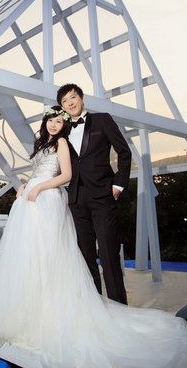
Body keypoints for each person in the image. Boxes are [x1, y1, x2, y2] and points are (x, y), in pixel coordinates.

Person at [0, 106, 187, 368]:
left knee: (50, 253)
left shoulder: (62, 143)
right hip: (31, 198)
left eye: (59, 121)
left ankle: (53, 312)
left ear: (64, 125)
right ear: (44, 122)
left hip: (47, 199)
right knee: (30, 255)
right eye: (51, 120)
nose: (54, 125)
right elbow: (40, 170)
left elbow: (66, 175)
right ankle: (30, 310)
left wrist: (40, 187)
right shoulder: (41, 143)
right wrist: (26, 183)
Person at [57, 83, 131, 304]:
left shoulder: (102, 120)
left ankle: (119, 306)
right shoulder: (62, 129)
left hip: (103, 195)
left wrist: (118, 185)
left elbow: (124, 152)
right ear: (62, 107)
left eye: (73, 97)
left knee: (108, 255)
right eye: (64, 101)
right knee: (85, 257)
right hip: (76, 198)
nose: (70, 103)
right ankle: (95, 306)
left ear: (82, 98)